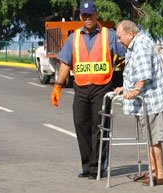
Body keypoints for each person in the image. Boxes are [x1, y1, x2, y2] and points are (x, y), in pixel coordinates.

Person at [50, 0, 126, 180]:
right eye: (84, 15)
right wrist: (57, 86)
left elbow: (125, 53)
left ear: (96, 15)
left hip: (102, 88)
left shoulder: (109, 35)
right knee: (81, 126)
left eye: (91, 15)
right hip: (81, 89)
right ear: (81, 17)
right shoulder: (74, 37)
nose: (88, 18)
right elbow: (66, 63)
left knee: (99, 128)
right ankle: (87, 166)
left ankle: (97, 167)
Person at [114, 20, 163, 186]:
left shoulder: (140, 45)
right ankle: (153, 170)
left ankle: (160, 174)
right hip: (147, 101)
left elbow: (144, 73)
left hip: (153, 100)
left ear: (130, 33)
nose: (119, 40)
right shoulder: (136, 44)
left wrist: (135, 90)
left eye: (120, 37)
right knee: (149, 138)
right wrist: (124, 88)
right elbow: (135, 72)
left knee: (154, 138)